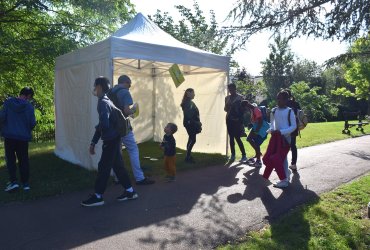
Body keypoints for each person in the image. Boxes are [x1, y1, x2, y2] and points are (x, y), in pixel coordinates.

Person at [81, 76, 138, 207]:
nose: (94, 89)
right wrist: (94, 141)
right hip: (115, 138)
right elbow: (103, 124)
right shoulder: (107, 100)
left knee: (103, 167)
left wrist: (93, 142)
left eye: (95, 86)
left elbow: (104, 124)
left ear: (99, 87)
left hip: (111, 140)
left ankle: (98, 196)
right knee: (118, 166)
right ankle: (130, 191)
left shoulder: (102, 102)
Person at [109, 75, 154, 185]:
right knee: (133, 150)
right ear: (126, 82)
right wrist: (133, 110)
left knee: (117, 152)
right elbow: (126, 111)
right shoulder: (125, 92)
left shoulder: (109, 92)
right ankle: (139, 178)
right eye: (130, 84)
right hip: (123, 126)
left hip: (111, 126)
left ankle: (117, 178)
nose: (130, 86)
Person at [0, 87, 36, 192]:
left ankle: (14, 182)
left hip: (9, 136)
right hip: (23, 138)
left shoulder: (8, 103)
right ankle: (25, 184)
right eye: (30, 97)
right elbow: (32, 123)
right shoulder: (29, 107)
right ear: (28, 96)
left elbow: (1, 117)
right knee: (23, 160)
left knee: (11, 160)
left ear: (20, 93)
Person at [264, 90, 297, 188]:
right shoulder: (274, 110)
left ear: (286, 100)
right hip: (275, 139)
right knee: (270, 158)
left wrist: (281, 132)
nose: (278, 101)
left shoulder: (290, 111)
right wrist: (271, 130)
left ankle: (284, 180)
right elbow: (272, 124)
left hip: (285, 140)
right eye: (278, 98)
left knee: (280, 159)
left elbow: (293, 126)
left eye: (281, 99)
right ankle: (284, 177)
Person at [241, 101, 269, 168]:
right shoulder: (252, 109)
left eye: (245, 109)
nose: (245, 110)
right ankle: (258, 154)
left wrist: (256, 131)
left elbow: (260, 121)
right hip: (256, 127)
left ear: (247, 105)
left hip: (261, 128)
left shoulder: (256, 110)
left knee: (256, 143)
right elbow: (256, 120)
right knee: (249, 139)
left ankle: (258, 161)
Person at [224, 84, 247, 162]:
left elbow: (244, 109)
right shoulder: (227, 98)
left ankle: (244, 155)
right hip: (229, 119)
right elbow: (225, 109)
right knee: (231, 137)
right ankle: (233, 155)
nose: (230, 91)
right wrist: (228, 106)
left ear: (235, 88)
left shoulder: (240, 97)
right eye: (229, 90)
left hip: (237, 120)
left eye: (232, 89)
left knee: (237, 137)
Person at [181, 88, 201, 163]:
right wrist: (196, 122)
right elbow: (189, 115)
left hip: (190, 123)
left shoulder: (188, 102)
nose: (194, 94)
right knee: (193, 139)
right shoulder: (188, 103)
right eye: (193, 92)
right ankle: (187, 156)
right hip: (190, 123)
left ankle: (188, 155)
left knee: (191, 138)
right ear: (188, 93)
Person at [285, 89, 301, 171]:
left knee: (283, 145)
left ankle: (283, 164)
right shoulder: (296, 103)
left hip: (285, 127)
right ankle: (293, 164)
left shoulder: (284, 103)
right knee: (293, 146)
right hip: (294, 127)